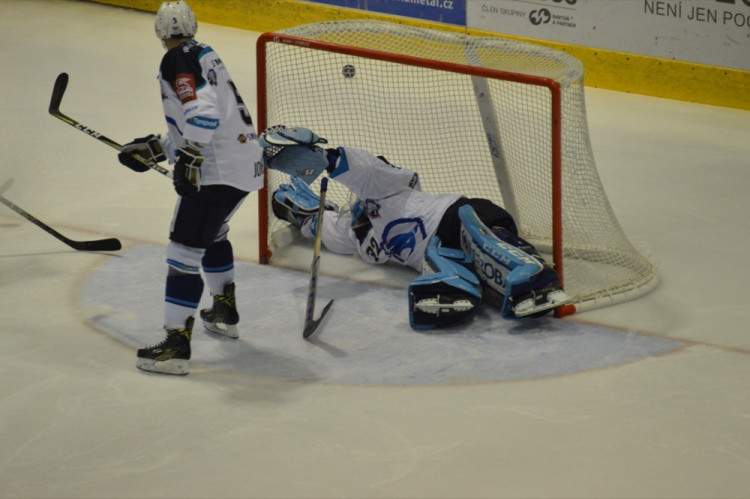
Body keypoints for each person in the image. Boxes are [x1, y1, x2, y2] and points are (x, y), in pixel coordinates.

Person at [260, 126, 570, 330]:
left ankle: (530, 272)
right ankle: (457, 286)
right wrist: (301, 214)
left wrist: (323, 158)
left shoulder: (388, 191)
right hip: (435, 249)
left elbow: (365, 169)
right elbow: (329, 229)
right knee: (444, 263)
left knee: (481, 240)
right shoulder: (360, 238)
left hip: (455, 215)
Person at [117, 1, 264, 374]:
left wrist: (189, 159)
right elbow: (204, 118)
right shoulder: (204, 53)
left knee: (183, 250)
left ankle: (175, 347)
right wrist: (156, 147)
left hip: (217, 172)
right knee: (213, 234)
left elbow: (203, 115)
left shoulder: (175, 61)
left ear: (159, 33)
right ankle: (224, 310)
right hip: (245, 165)